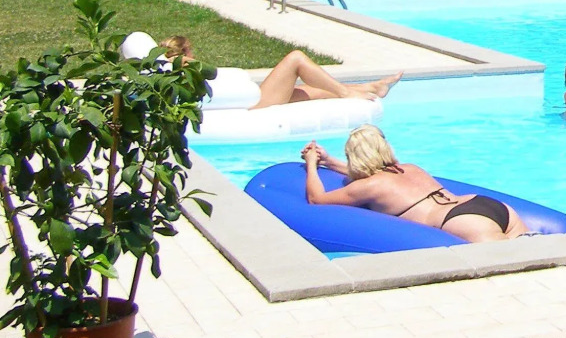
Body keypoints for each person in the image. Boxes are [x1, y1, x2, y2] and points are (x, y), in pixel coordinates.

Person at [301, 125, 528, 242]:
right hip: (487, 206)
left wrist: (312, 163)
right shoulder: (410, 168)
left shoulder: (367, 187)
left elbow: (316, 199)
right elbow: (374, 172)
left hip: (463, 222)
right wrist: (329, 161)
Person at [162, 36, 402, 110]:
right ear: (184, 51)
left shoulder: (170, 68)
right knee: (296, 58)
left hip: (250, 98)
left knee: (305, 91)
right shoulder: (183, 65)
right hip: (252, 104)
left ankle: (371, 87)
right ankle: (346, 92)